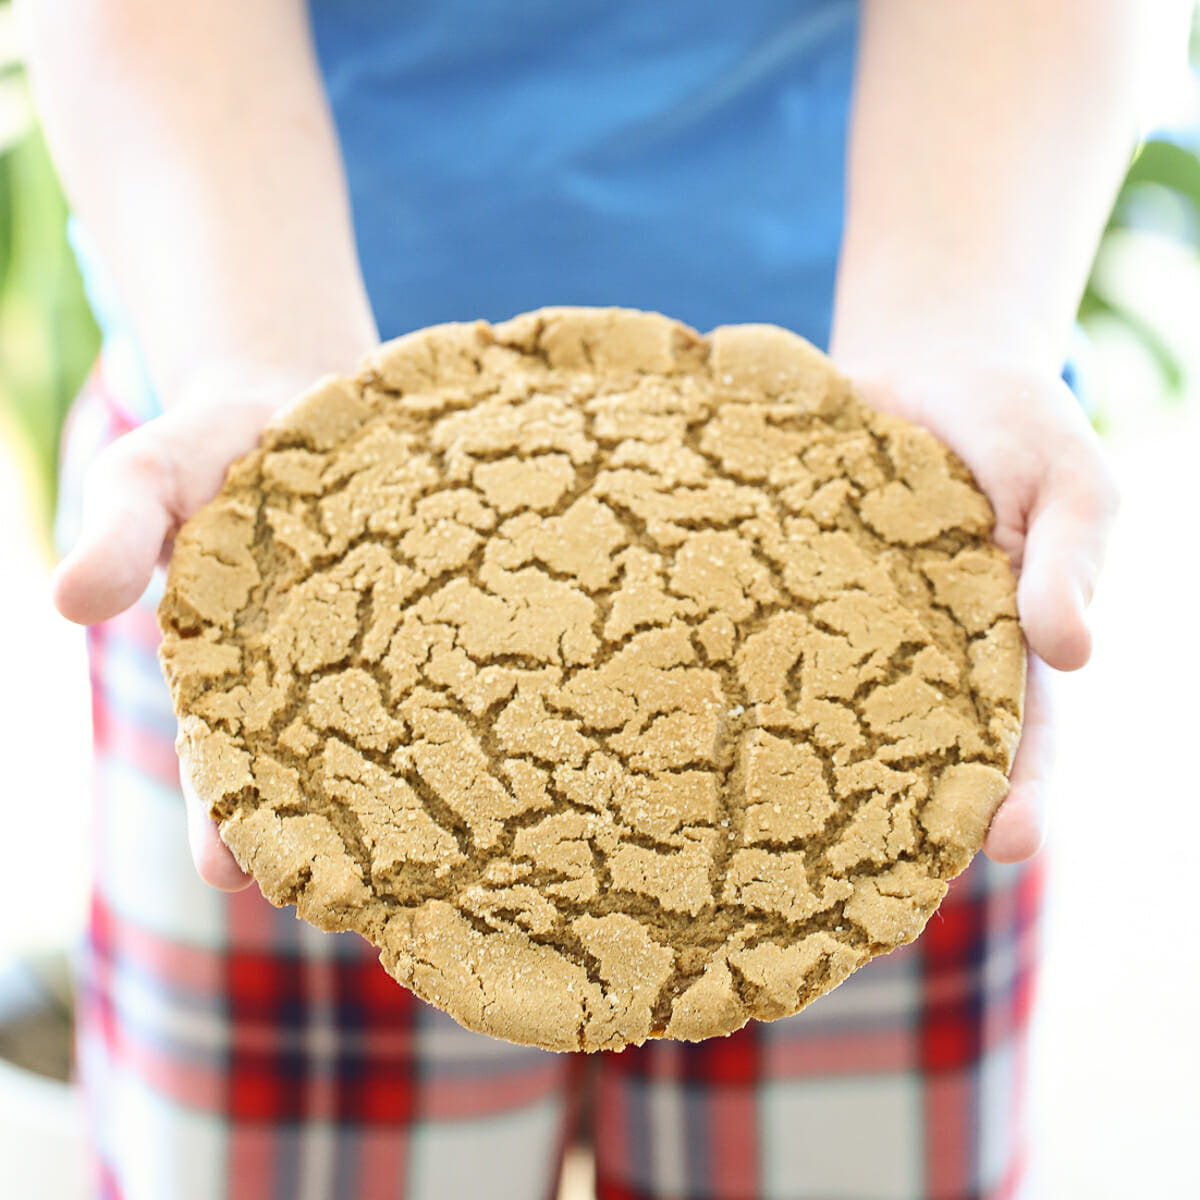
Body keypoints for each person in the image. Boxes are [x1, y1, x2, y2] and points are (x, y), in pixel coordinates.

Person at [25, 0, 1171, 1196]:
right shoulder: (268, 501)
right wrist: (260, 369)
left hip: (875, 558)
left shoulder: (909, 563)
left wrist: (962, 319)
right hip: (261, 491)